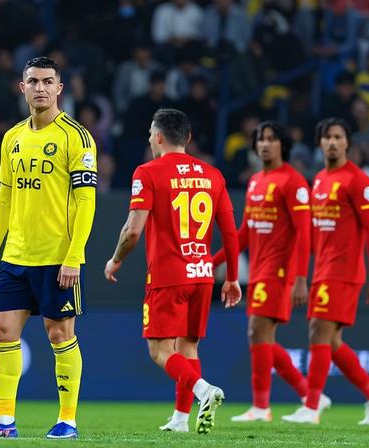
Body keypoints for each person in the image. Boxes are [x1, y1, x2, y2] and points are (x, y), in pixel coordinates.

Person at [0, 57, 97, 440]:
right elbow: (3, 199)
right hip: (15, 256)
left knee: (59, 334)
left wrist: (74, 256)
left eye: (48, 81)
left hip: (57, 257)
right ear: (22, 88)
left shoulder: (77, 137)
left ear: (59, 89)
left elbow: (87, 202)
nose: (40, 88)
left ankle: (67, 421)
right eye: (33, 81)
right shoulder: (12, 138)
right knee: (2, 331)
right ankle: (4, 421)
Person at [104, 108, 242, 435]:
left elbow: (133, 230)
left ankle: (203, 390)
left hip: (169, 276)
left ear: (159, 136)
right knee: (188, 348)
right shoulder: (213, 174)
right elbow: (231, 232)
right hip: (203, 274)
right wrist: (233, 277)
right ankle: (181, 419)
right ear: (189, 138)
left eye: (152, 134)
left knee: (160, 351)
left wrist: (116, 259)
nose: (151, 139)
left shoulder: (147, 172)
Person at [208, 122, 331, 422]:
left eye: (271, 139)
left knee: (257, 333)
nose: (264, 145)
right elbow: (244, 234)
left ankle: (262, 407)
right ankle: (308, 395)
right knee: (262, 338)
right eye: (260, 140)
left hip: (280, 271)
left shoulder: (295, 183)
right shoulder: (255, 182)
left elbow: (304, 235)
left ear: (283, 145)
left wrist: (301, 278)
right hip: (261, 269)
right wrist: (212, 262)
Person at [282, 118, 369, 425]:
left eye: (337, 137)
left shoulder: (358, 182)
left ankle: (313, 405)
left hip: (344, 271)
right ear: (320, 144)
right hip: (322, 269)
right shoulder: (318, 179)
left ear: (348, 143)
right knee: (330, 341)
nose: (332, 142)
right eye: (327, 137)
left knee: (318, 330)